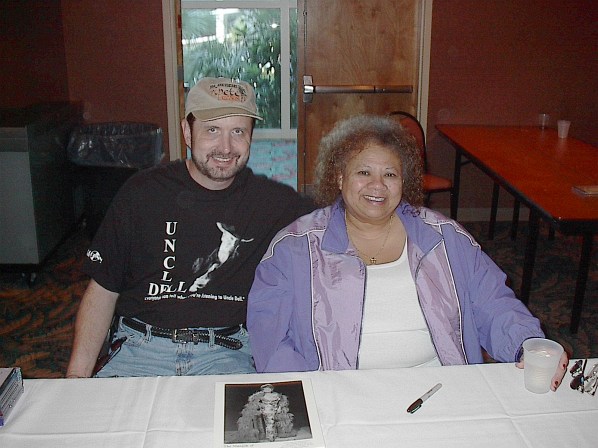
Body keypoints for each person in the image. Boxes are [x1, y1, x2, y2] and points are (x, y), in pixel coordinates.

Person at [247, 114, 568, 391]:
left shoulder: (444, 238)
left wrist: (526, 343)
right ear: (340, 176)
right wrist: (319, 393)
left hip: (441, 388)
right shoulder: (295, 248)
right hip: (342, 396)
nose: (378, 185)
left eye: (390, 174)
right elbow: (270, 342)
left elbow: (493, 302)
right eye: (363, 172)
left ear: (405, 181)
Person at [66, 77, 314, 378]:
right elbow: (103, 289)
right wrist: (76, 378)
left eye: (238, 131)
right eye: (212, 130)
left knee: (250, 425)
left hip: (225, 353)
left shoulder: (272, 202)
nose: (225, 147)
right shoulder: (142, 192)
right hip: (139, 350)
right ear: (187, 132)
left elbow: (343, 221)